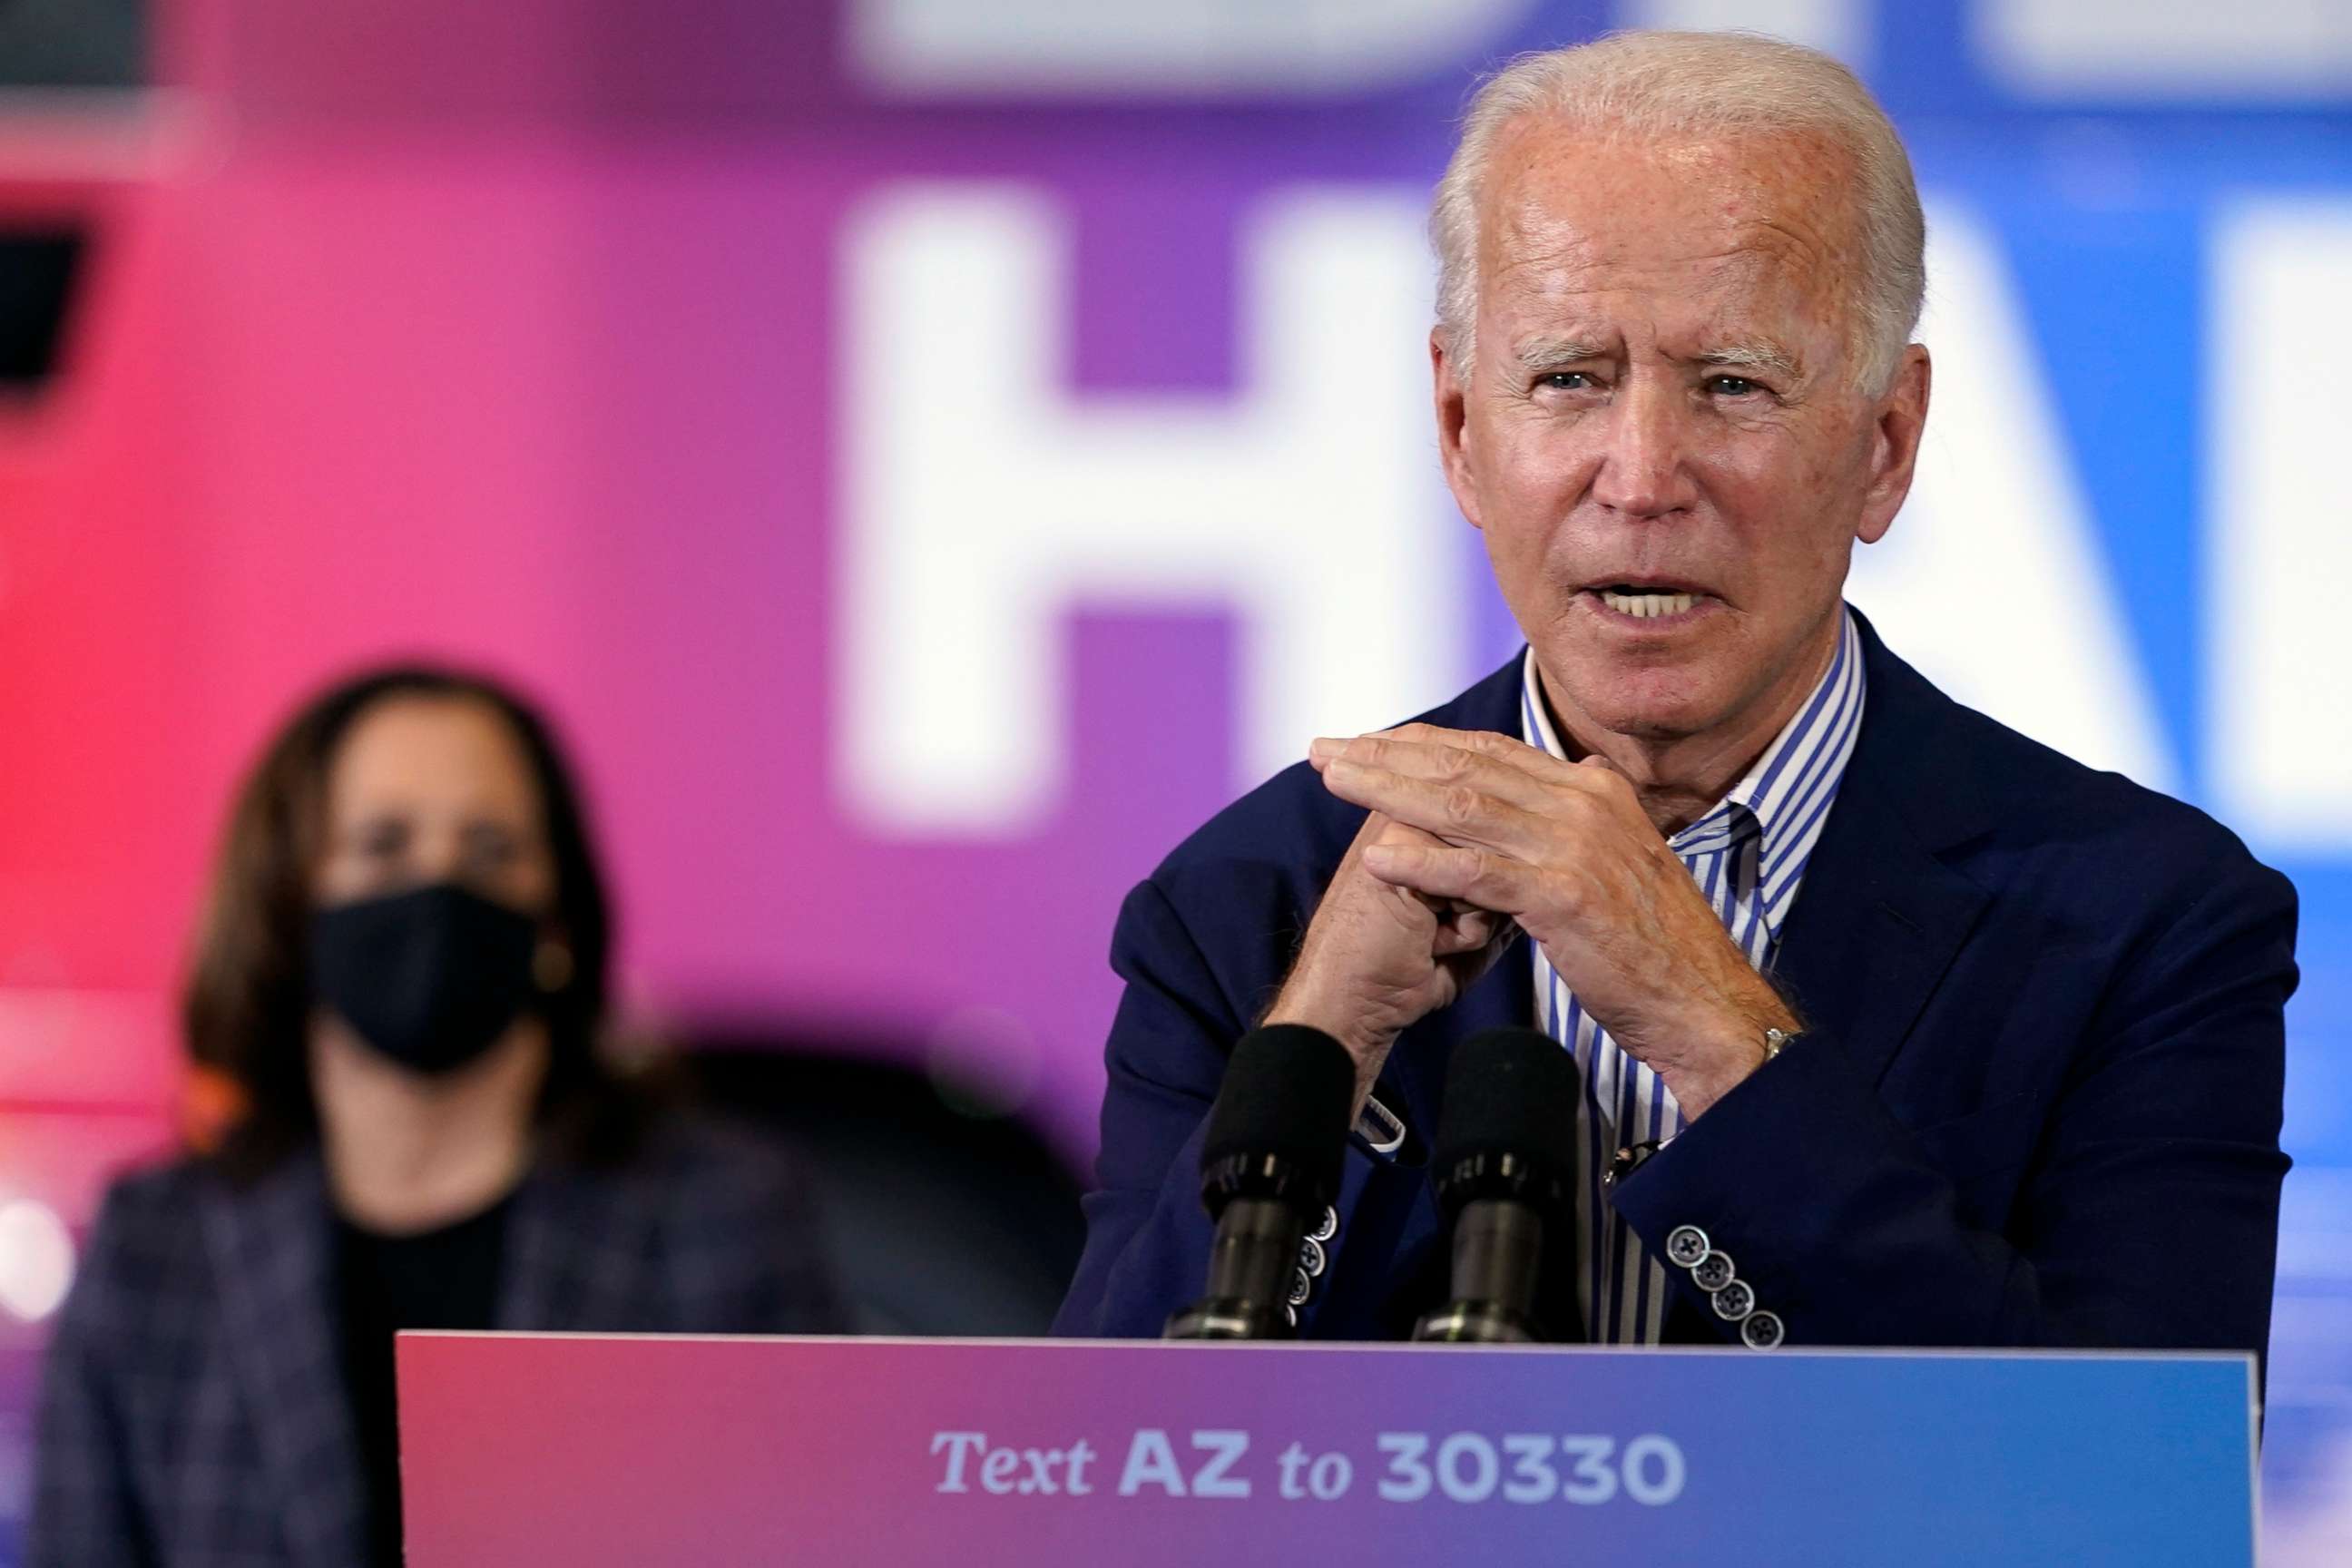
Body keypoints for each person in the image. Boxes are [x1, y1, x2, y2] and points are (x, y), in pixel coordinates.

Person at [1055, 32, 2295, 1365]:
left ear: (1887, 444)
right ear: (1463, 431)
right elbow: (1096, 1481)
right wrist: (1326, 1046)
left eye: (1732, 385)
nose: (1641, 475)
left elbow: (2127, 1501)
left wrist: (1714, 1029)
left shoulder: (2144, 924)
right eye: (1571, 379)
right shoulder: (1252, 908)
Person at [31, 666, 842, 1568]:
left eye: (492, 849)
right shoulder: (152, 1248)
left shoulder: (725, 1218)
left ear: (558, 925)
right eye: (382, 845)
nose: (439, 887)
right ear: (288, 905)